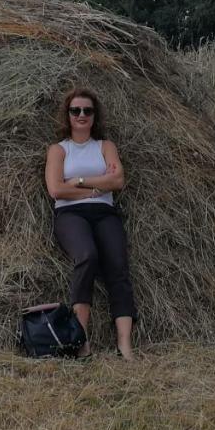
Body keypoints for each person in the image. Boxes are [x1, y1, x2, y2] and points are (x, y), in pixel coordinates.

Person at [43, 87, 137, 360]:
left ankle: (124, 344)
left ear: (95, 116)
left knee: (118, 266)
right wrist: (98, 186)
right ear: (68, 115)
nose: (81, 115)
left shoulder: (105, 147)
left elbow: (117, 181)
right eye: (76, 110)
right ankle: (80, 339)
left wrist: (81, 182)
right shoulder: (59, 150)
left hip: (104, 213)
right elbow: (56, 190)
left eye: (87, 110)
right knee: (87, 256)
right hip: (70, 215)